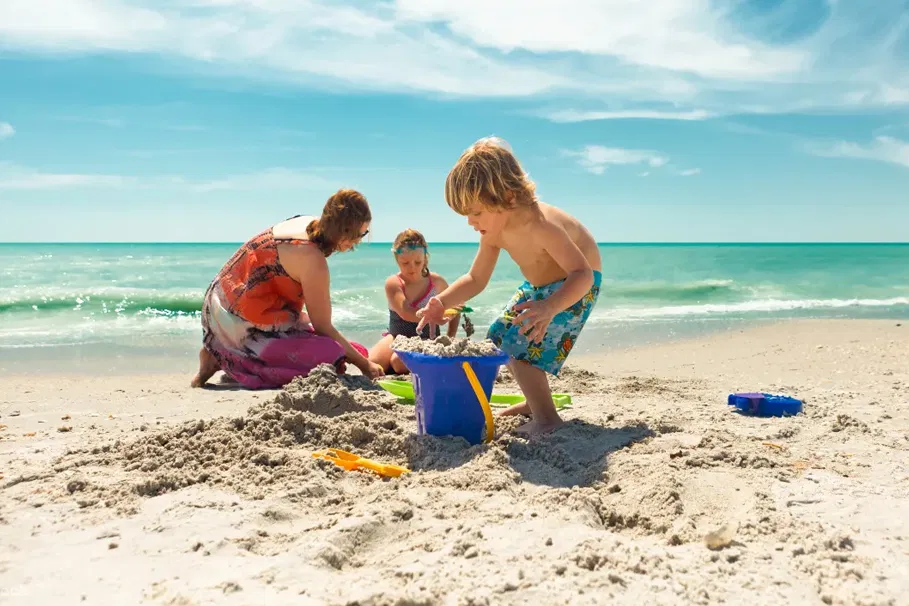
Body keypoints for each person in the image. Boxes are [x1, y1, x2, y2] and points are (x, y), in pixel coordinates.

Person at [416, 137, 602, 436]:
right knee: (500, 337)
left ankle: (547, 419)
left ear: (507, 196)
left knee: (520, 346)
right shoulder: (493, 232)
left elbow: (583, 274)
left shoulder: (541, 225)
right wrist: (442, 301)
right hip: (538, 287)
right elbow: (476, 278)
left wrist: (550, 307)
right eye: (466, 214)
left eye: (476, 212)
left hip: (574, 286)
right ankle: (535, 402)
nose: (470, 222)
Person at [191, 188, 385, 389]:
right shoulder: (312, 259)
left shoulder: (307, 223)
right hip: (241, 325)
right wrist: (365, 366)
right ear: (343, 232)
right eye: (359, 234)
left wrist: (360, 359)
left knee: (355, 350)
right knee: (332, 356)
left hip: (223, 302)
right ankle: (225, 355)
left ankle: (220, 351)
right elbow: (323, 327)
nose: (359, 241)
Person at [367, 228, 459, 374]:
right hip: (397, 335)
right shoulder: (394, 283)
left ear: (425, 259)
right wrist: (434, 315)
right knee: (372, 364)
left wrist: (450, 336)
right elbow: (406, 312)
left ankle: (422, 364)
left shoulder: (436, 282)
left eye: (418, 262)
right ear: (397, 259)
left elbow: (456, 306)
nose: (412, 268)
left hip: (427, 337)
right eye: (405, 263)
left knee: (397, 362)